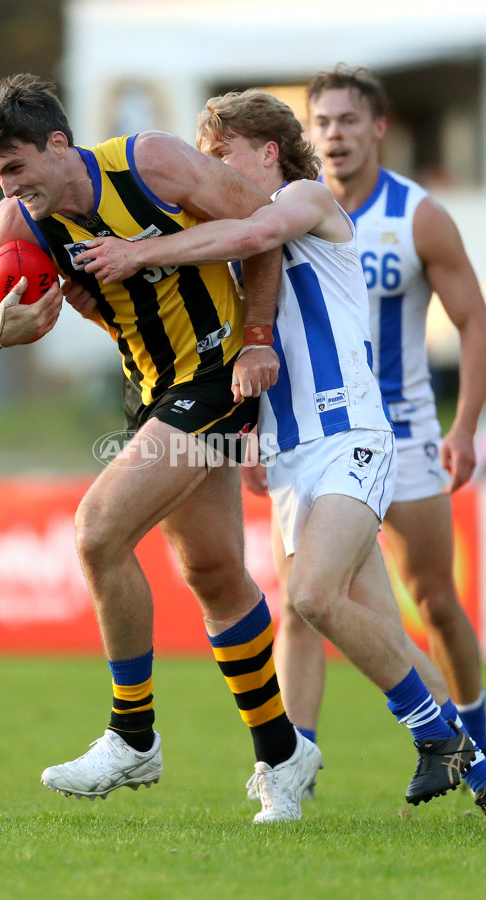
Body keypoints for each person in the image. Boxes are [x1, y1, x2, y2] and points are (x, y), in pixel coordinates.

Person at [82, 87, 486, 814]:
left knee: (310, 597)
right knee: (377, 628)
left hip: (351, 436)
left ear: (266, 152)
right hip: (293, 456)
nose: (212, 172)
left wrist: (140, 250)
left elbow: (250, 237)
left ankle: (434, 734)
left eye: (222, 155)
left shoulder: (304, 197)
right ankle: (477, 768)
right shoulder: (235, 243)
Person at [0, 73, 321, 824]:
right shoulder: (19, 218)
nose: (10, 188)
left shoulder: (152, 164)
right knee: (212, 571)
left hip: (215, 373)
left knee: (98, 528)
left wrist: (254, 339)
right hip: (151, 389)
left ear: (59, 143)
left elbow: (266, 230)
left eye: (16, 167)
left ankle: (132, 735)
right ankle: (284, 754)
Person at [249, 66, 486, 781]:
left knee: (434, 601)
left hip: (404, 431)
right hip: (312, 433)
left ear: (378, 128)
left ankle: (474, 743)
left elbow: (472, 318)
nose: (335, 136)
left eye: (349, 121)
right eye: (322, 123)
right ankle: (298, 759)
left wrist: (464, 425)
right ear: (306, 133)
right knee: (303, 603)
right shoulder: (285, 212)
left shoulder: (418, 215)